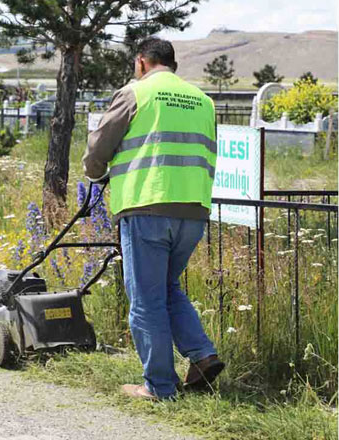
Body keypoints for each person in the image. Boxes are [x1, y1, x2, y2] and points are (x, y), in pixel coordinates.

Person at [82, 37, 224, 400]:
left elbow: (98, 148)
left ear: (142, 62)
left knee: (146, 298)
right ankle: (203, 355)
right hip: (193, 209)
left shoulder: (136, 94)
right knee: (167, 287)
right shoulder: (204, 101)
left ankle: (159, 387)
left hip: (147, 205)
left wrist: (95, 172)